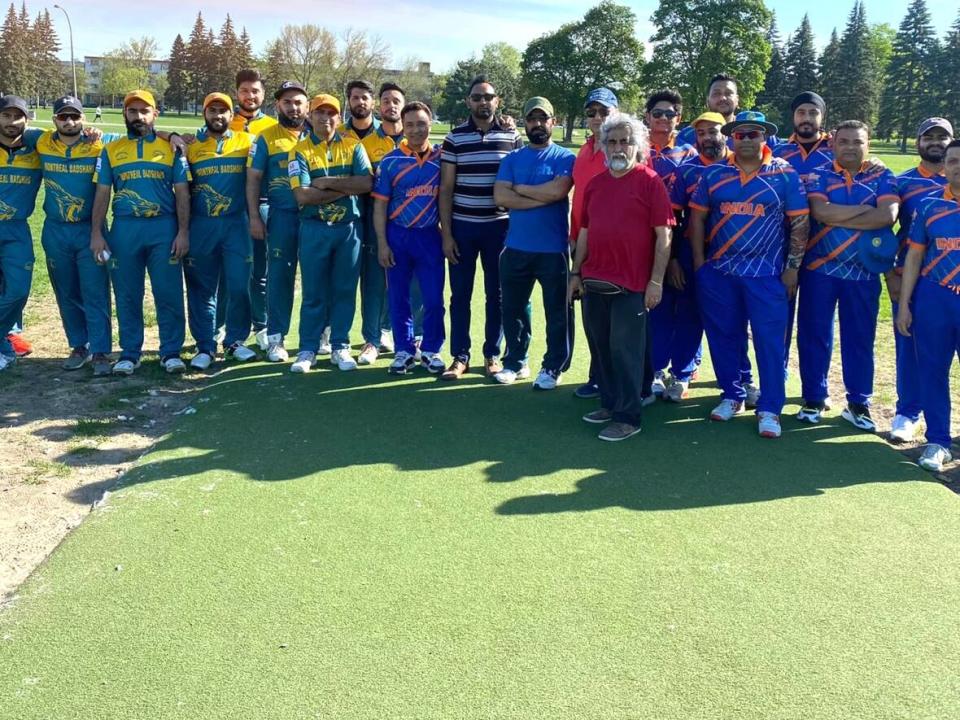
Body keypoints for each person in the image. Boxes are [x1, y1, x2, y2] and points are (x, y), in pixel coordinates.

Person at [689, 111, 809, 438]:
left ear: (765, 137)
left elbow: (799, 223)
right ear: (731, 138)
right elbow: (697, 220)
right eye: (740, 135)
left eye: (753, 134)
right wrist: (700, 264)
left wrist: (792, 268)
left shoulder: (785, 174)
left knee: (770, 343)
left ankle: (770, 408)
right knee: (724, 336)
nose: (745, 140)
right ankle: (732, 394)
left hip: (766, 274)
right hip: (720, 271)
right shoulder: (714, 174)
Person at [569, 114, 674, 440]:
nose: (618, 147)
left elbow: (664, 236)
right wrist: (575, 273)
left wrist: (656, 281)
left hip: (632, 284)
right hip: (594, 279)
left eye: (625, 141)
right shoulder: (596, 184)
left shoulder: (650, 181)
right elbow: (584, 231)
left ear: (638, 145)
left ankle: (628, 417)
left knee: (625, 350)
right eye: (612, 141)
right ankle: (611, 403)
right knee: (601, 348)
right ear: (603, 146)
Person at [796, 120, 899, 431]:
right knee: (814, 335)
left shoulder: (883, 175)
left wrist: (838, 212)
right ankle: (814, 398)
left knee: (859, 339)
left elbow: (888, 216)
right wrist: (866, 212)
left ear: (867, 144)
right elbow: (820, 213)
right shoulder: (819, 174)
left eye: (858, 141)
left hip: (863, 272)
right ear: (833, 144)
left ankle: (858, 403)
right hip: (819, 269)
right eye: (844, 142)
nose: (851, 147)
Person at [90, 90, 191, 375]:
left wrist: (183, 232)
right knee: (127, 294)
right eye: (132, 112)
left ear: (155, 114)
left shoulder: (171, 149)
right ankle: (130, 352)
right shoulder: (111, 150)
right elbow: (102, 193)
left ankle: (170, 351)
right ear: (125, 115)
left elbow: (182, 193)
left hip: (164, 228)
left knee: (168, 292)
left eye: (144, 111)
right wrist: (97, 233)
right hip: (125, 229)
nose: (138, 117)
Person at [439, 75, 523, 380]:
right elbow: (446, 189)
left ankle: (492, 354)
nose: (482, 102)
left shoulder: (512, 137)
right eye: (477, 97)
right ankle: (460, 356)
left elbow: (519, 184)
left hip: (499, 229)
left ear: (497, 101)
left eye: (488, 97)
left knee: (496, 294)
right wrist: (446, 234)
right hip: (463, 227)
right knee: (460, 295)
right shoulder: (454, 138)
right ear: (468, 102)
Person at [492, 96, 575, 389]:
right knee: (513, 309)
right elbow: (501, 198)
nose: (537, 124)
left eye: (543, 119)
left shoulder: (565, 158)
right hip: (516, 248)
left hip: (553, 251)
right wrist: (539, 195)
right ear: (525, 123)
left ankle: (553, 367)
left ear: (553, 122)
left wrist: (521, 190)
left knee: (556, 311)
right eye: (532, 119)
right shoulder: (512, 159)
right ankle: (515, 361)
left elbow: (558, 191)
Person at [287, 93, 372, 373]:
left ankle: (340, 345)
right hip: (314, 229)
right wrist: (342, 189)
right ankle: (308, 349)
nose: (325, 118)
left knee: (344, 290)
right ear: (310, 116)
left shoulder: (353, 144)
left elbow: (366, 183)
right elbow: (303, 195)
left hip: (349, 230)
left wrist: (326, 183)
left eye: (331, 113)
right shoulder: (298, 151)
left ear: (339, 116)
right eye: (319, 113)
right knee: (313, 292)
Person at [35, 96, 113, 376]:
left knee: (95, 290)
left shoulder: (100, 142)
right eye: (63, 117)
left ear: (84, 118)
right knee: (66, 292)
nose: (69, 122)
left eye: (74, 116)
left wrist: (174, 135)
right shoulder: (40, 141)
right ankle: (79, 345)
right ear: (54, 119)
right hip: (55, 229)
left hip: (90, 230)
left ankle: (102, 350)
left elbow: (140, 133)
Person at [895, 138, 960, 472]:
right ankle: (938, 442)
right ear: (944, 166)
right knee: (933, 371)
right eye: (952, 161)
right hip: (934, 297)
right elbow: (915, 255)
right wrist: (904, 303)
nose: (958, 167)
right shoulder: (930, 205)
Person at [183, 92, 257, 370]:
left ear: (231, 113)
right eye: (212, 110)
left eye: (223, 111)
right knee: (203, 288)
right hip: (201, 225)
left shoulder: (247, 141)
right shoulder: (191, 146)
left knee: (239, 285)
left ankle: (236, 340)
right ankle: (205, 345)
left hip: (236, 223)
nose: (218, 116)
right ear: (205, 114)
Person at [372, 101, 446, 375]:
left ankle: (431, 349)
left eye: (422, 124)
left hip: (429, 237)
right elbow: (380, 205)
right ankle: (403, 350)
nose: (416, 130)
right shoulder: (390, 161)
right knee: (399, 296)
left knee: (433, 297)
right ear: (403, 126)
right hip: (397, 235)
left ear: (430, 124)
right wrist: (382, 242)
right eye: (411, 124)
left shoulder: (442, 158)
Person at [662, 111, 729, 402]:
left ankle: (739, 380)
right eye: (701, 134)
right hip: (691, 251)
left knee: (730, 319)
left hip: (731, 254)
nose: (707, 139)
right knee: (689, 313)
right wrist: (675, 258)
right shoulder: (686, 170)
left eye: (713, 132)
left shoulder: (740, 165)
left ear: (725, 133)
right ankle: (682, 374)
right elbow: (674, 217)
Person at [247, 81, 310, 363]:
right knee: (279, 277)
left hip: (316, 216)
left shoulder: (320, 133)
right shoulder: (266, 137)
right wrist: (254, 217)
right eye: (287, 102)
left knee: (317, 277)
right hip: (281, 214)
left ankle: (319, 335)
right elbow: (253, 179)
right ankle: (276, 338)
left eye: (298, 102)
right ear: (277, 106)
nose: (293, 107)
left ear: (307, 106)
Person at [345, 80, 407, 365]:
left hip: (409, 225)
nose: (390, 105)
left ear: (403, 106)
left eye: (396, 100)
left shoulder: (416, 139)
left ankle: (398, 335)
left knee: (405, 282)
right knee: (373, 282)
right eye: (385, 101)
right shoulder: (364, 143)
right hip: (374, 221)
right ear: (378, 107)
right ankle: (371, 339)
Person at [644, 88, 697, 397]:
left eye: (670, 114)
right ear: (648, 117)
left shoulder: (689, 154)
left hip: (680, 240)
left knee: (686, 308)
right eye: (658, 113)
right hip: (642, 241)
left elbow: (690, 209)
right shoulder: (639, 150)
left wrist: (676, 254)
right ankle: (655, 369)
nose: (664, 119)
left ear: (679, 119)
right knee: (655, 307)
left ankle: (682, 373)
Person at [570, 87, 619, 400]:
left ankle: (617, 382)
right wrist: (574, 241)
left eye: (604, 112)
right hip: (583, 245)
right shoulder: (585, 151)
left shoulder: (620, 148)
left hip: (614, 248)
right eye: (592, 113)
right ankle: (597, 374)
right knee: (593, 316)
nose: (598, 118)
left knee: (617, 321)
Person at [224, 69, 278, 347]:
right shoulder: (222, 120)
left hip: (261, 205)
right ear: (237, 93)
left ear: (263, 94)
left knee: (260, 270)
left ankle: (262, 324)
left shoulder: (271, 127)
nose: (250, 96)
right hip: (228, 208)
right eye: (245, 90)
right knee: (228, 270)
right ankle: (223, 325)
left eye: (255, 91)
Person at [0, 96, 43, 370]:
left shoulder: (38, 146)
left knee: (18, 289)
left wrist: (169, 135)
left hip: (16, 229)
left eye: (18, 117)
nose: (11, 122)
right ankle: (6, 339)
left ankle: (6, 334)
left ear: (27, 120)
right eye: (6, 116)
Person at [677, 74, 779, 150]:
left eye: (728, 93)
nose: (723, 98)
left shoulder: (756, 130)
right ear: (707, 101)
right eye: (716, 94)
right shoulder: (688, 135)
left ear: (737, 100)